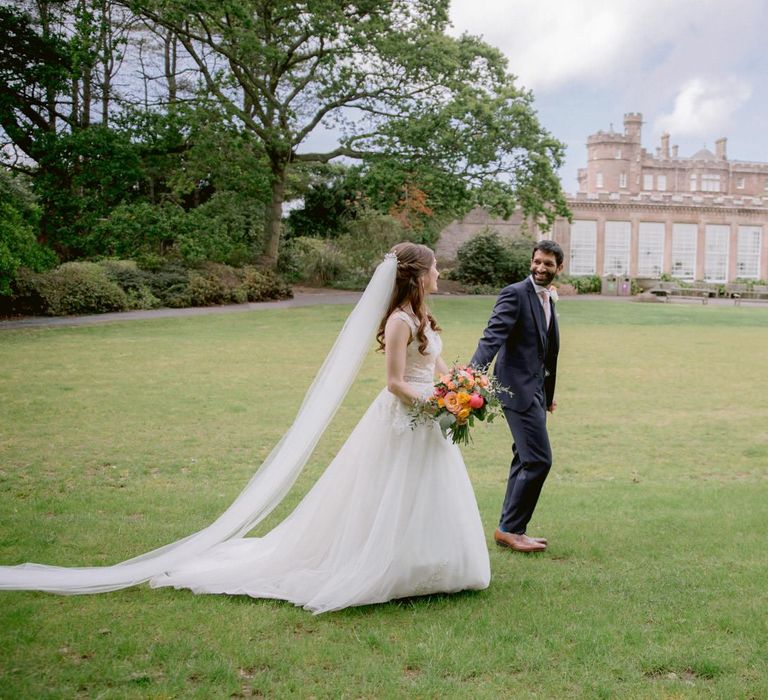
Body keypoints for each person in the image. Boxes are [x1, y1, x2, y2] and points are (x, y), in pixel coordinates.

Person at [0, 242, 490, 614]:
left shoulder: (426, 316)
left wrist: (462, 388)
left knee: (426, 492)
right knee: (389, 493)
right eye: (435, 267)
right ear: (417, 275)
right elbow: (394, 383)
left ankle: (427, 566)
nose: (440, 273)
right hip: (405, 418)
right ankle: (384, 566)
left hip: (430, 420)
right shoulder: (401, 321)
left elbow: (440, 367)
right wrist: (435, 400)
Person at [470, 240, 564, 553]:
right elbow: (491, 337)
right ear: (531, 261)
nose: (540, 268)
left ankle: (510, 529)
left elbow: (548, 352)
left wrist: (548, 394)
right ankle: (511, 529)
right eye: (537, 261)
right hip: (515, 390)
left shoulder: (549, 298)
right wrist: (470, 377)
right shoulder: (514, 293)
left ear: (558, 269)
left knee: (524, 458)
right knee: (539, 460)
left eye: (548, 264)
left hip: (536, 391)